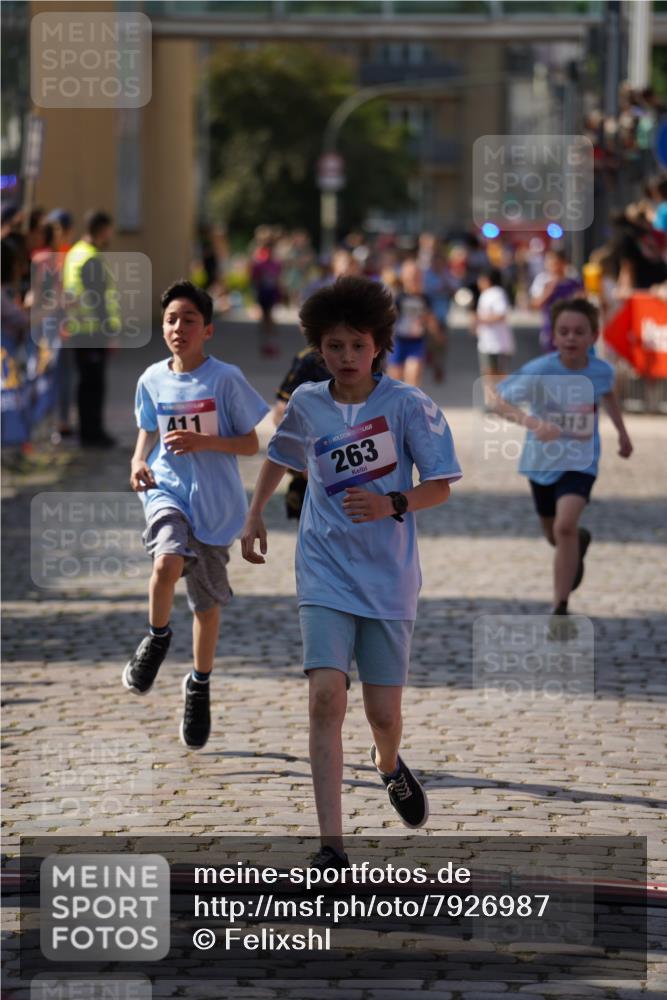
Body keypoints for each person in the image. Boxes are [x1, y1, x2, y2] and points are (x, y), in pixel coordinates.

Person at [241, 276, 461, 868]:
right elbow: (280, 455)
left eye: (357, 345)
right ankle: (331, 846)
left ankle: (387, 763)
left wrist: (393, 503)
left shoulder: (408, 405)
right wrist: (254, 513)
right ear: (319, 347)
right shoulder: (308, 402)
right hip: (324, 568)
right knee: (324, 698)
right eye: (333, 346)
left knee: (382, 714)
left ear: (379, 345)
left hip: (388, 576)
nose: (345, 357)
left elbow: (440, 485)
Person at [124, 280, 269, 748]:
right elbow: (147, 427)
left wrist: (205, 442)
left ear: (207, 329)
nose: (178, 328)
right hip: (167, 490)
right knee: (166, 561)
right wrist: (138, 460)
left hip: (215, 503)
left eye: (189, 320)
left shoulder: (224, 379)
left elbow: (251, 443)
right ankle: (157, 638)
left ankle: (199, 685)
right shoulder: (151, 378)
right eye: (171, 319)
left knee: (206, 606)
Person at [493, 298, 632, 634]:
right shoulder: (540, 370)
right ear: (553, 336)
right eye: (564, 331)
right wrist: (533, 423)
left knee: (564, 526)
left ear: (593, 336)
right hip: (541, 462)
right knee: (553, 532)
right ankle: (576, 544)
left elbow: (608, 396)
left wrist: (622, 433)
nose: (571, 338)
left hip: (581, 461)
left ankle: (560, 607)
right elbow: (498, 400)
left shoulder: (602, 371)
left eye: (579, 332)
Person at [62, 210, 121, 448]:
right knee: (94, 384)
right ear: (101, 230)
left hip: (78, 328)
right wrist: (110, 332)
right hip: (93, 331)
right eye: (109, 230)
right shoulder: (91, 257)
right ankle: (93, 434)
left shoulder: (75, 253)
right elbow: (99, 300)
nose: (110, 235)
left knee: (85, 383)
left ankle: (87, 432)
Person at [273, 345, 330, 519]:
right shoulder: (309, 360)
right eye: (335, 346)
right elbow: (281, 411)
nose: (347, 356)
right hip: (313, 464)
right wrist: (304, 460)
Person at [386, 259, 441, 387]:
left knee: (413, 374)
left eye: (416, 276)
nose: (413, 279)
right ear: (403, 277)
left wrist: (437, 334)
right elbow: (390, 318)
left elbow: (430, 318)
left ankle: (411, 398)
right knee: (395, 379)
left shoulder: (425, 298)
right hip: (399, 341)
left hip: (416, 341)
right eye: (410, 276)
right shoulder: (398, 297)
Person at [472, 268, 515, 407]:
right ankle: (491, 402)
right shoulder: (484, 294)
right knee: (488, 372)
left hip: (499, 342)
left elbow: (501, 314)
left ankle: (501, 401)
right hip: (486, 341)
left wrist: (482, 320)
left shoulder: (497, 293)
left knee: (499, 373)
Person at [529, 249, 583, 352]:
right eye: (549, 263)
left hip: (572, 330)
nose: (552, 266)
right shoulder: (542, 280)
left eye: (555, 263)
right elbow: (535, 304)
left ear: (564, 263)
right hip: (550, 329)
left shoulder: (574, 282)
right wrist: (549, 291)